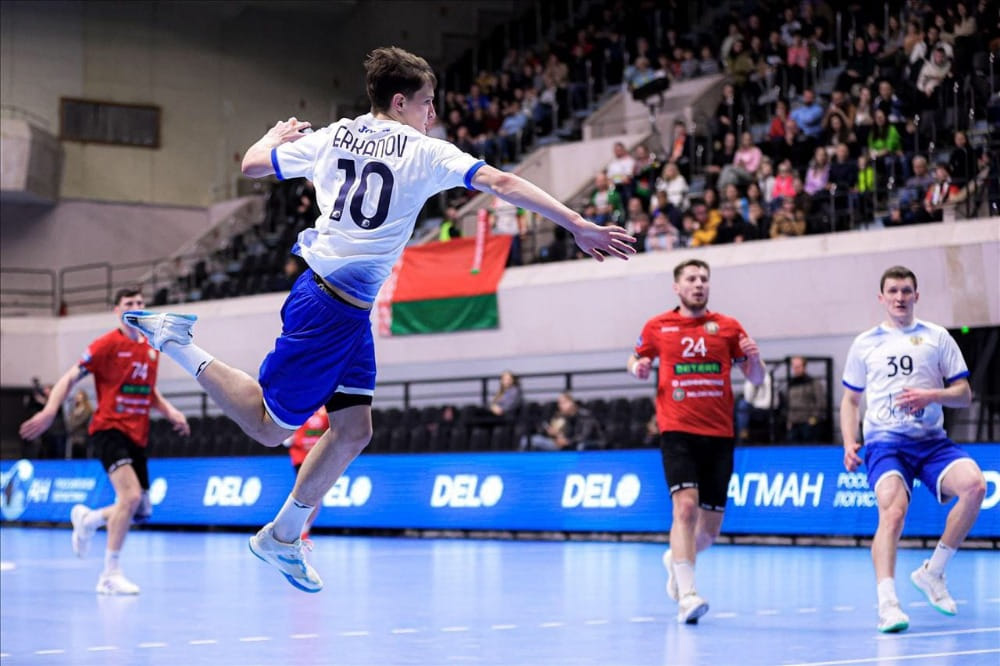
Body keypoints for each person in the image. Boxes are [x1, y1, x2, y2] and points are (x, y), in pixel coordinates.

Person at [123, 46, 635, 593]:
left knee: (353, 430)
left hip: (345, 307)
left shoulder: (335, 135)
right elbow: (502, 183)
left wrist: (273, 136)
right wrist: (577, 223)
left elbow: (252, 164)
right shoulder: (424, 151)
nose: (432, 113)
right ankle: (176, 342)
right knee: (270, 428)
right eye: (426, 102)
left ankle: (283, 535)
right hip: (328, 307)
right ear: (400, 102)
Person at [841, 265, 986, 634]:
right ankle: (888, 604)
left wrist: (931, 395)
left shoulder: (937, 337)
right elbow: (850, 400)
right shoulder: (865, 343)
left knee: (975, 486)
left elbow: (964, 395)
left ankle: (933, 572)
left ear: (916, 296)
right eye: (893, 291)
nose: (900, 297)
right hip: (885, 442)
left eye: (906, 291)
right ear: (882, 297)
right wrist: (848, 441)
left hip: (931, 441)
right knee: (893, 513)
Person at [18, 287, 190, 595]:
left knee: (140, 510)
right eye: (129, 303)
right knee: (130, 498)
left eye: (140, 302)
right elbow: (69, 377)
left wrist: (171, 412)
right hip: (109, 430)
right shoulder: (106, 345)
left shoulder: (151, 347)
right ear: (117, 310)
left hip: (138, 435)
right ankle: (110, 574)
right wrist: (50, 410)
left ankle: (89, 519)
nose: (135, 306)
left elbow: (148, 391)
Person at [627, 259, 764, 624]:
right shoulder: (658, 326)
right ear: (677, 287)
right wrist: (638, 368)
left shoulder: (729, 327)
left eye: (704, 278)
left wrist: (755, 360)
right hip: (678, 431)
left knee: (709, 532)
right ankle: (688, 595)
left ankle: (675, 559)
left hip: (719, 435)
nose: (699, 284)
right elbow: (636, 358)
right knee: (685, 509)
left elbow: (756, 378)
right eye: (691, 278)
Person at [285, 405, 329, 540]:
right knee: (303, 491)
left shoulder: (327, 411)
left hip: (319, 456)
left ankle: (304, 528)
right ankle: (294, 528)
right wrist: (287, 437)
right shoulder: (302, 406)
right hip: (300, 457)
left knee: (316, 494)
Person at [518, 392, 603, 451]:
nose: (560, 406)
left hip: (578, 443)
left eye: (563, 402)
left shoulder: (585, 416)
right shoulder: (560, 416)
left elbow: (585, 435)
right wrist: (551, 433)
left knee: (580, 446)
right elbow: (557, 432)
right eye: (559, 403)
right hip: (559, 443)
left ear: (572, 403)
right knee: (528, 440)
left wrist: (568, 441)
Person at [785, 356, 826, 442]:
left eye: (798, 367)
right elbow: (787, 403)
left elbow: (820, 401)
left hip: (808, 423)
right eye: (794, 367)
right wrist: (789, 420)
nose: (796, 369)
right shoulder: (791, 384)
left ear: (804, 367)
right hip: (793, 424)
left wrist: (814, 418)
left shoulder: (813, 383)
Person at [66, 389, 94, 459]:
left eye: (79, 397)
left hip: (83, 436)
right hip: (74, 436)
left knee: (82, 455)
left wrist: (73, 425)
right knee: (73, 456)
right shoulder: (74, 409)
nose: (77, 398)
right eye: (77, 397)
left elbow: (82, 420)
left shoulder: (88, 409)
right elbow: (70, 420)